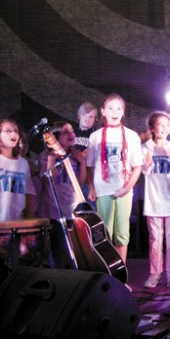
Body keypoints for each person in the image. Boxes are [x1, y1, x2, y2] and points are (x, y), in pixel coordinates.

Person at [86, 93, 143, 266]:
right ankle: (107, 273)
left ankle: (121, 273)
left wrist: (127, 188)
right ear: (103, 111)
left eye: (118, 108)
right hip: (103, 189)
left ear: (123, 112)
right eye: (110, 108)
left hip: (123, 189)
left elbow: (137, 166)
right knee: (105, 233)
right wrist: (91, 187)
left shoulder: (132, 136)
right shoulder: (95, 137)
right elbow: (90, 165)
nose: (114, 111)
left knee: (122, 233)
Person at [141, 111, 170, 289]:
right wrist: (149, 155)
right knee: (155, 238)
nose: (163, 128)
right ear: (152, 127)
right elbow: (144, 170)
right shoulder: (145, 147)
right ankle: (154, 273)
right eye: (159, 124)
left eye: (167, 125)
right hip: (154, 200)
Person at [37, 121, 88, 268]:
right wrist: (52, 161)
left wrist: (82, 164)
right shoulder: (45, 156)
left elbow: (79, 183)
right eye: (66, 131)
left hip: (71, 209)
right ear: (55, 136)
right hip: (52, 210)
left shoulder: (74, 156)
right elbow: (48, 181)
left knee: (72, 249)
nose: (71, 134)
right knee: (57, 249)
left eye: (72, 131)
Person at [73, 101, 98, 198]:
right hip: (72, 177)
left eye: (91, 116)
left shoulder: (97, 135)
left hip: (90, 180)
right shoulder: (70, 133)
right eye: (84, 115)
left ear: (95, 119)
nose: (87, 119)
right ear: (79, 116)